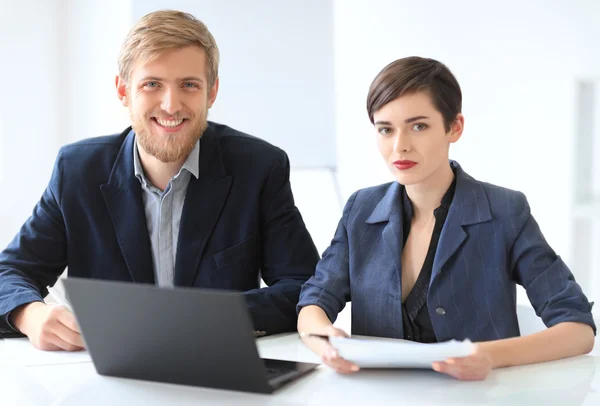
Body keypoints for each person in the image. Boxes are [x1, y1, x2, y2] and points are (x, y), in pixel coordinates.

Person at [0, 10, 319, 350]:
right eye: (152, 84)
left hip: (218, 369)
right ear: (123, 90)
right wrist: (30, 316)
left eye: (189, 85)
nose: (171, 105)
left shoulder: (259, 167)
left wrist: (206, 317)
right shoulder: (77, 170)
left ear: (211, 92)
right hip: (107, 380)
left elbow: (305, 285)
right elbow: (10, 273)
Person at [297, 56, 596, 381]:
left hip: (479, 398)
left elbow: (578, 329)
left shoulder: (504, 210)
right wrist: (323, 340)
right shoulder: (361, 208)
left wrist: (488, 356)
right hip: (380, 397)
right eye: (386, 129)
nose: (400, 146)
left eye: (419, 126)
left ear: (454, 127)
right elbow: (315, 300)